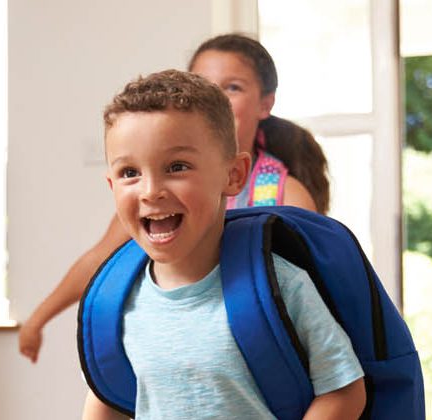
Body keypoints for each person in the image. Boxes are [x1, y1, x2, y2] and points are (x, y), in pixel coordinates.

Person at [18, 34, 330, 363]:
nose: (152, 191)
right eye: (205, 84)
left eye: (233, 87)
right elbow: (100, 258)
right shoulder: (153, 196)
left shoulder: (285, 193)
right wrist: (39, 318)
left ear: (266, 103)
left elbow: (310, 302)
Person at [81, 69, 365, 419]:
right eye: (129, 173)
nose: (150, 190)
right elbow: (107, 398)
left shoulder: (280, 284)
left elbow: (344, 389)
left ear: (233, 175)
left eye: (177, 166)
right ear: (111, 185)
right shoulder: (114, 301)